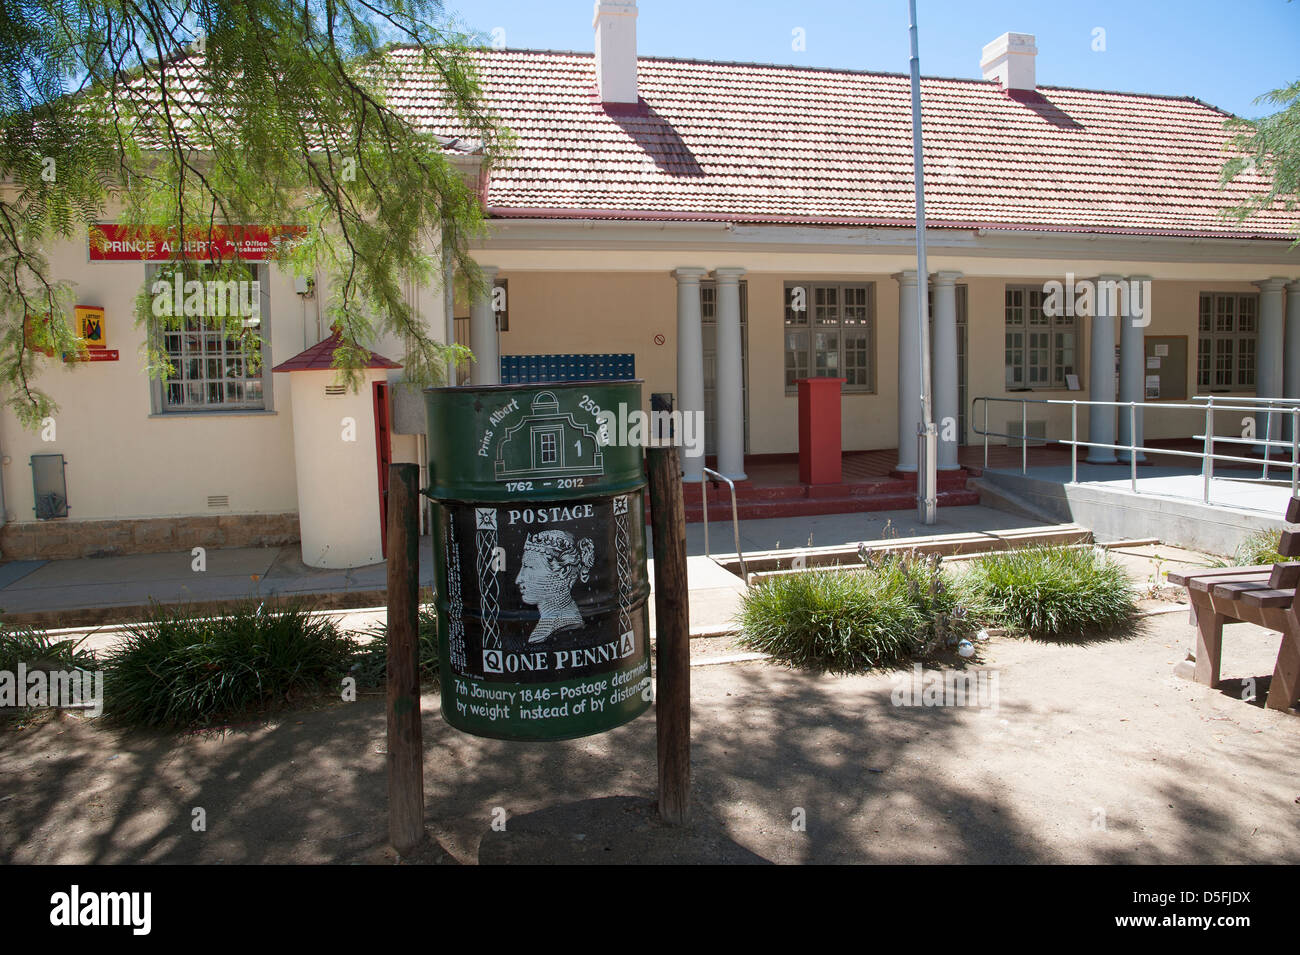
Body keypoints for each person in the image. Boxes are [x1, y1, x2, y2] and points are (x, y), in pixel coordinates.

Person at [515, 530, 596, 643]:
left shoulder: (566, 624)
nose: (518, 579)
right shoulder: (546, 625)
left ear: (564, 571)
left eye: (530, 567)